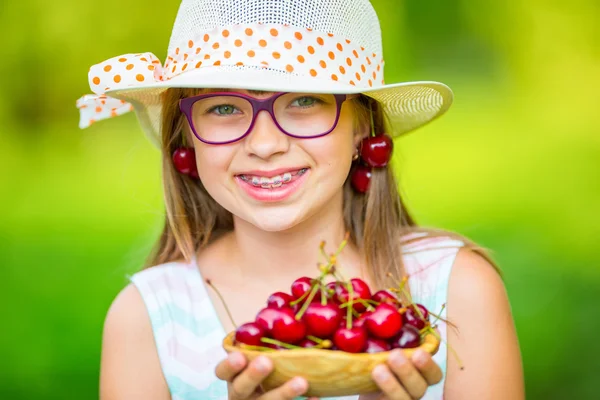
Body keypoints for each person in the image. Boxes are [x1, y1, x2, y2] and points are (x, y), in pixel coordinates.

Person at [77, 0, 524, 399]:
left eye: (305, 100)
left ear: (362, 128)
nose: (265, 143)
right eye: (224, 108)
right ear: (187, 138)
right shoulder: (147, 320)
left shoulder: (456, 290)